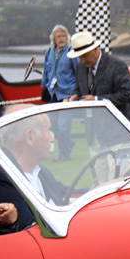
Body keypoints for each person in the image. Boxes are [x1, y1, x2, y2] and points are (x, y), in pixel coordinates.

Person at [0, 106, 68, 231]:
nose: (52, 139)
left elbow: (63, 191)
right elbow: (29, 230)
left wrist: (93, 189)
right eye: (48, 131)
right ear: (30, 137)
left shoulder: (38, 170)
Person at [67, 32, 130, 123]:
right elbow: (78, 89)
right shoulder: (80, 67)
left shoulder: (117, 65)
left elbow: (126, 94)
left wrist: (97, 100)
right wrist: (74, 97)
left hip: (116, 126)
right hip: (91, 127)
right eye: (79, 57)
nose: (83, 61)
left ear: (95, 49)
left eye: (85, 56)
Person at [41, 25, 77, 160]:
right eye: (58, 36)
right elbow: (46, 71)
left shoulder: (71, 53)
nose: (61, 39)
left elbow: (77, 72)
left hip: (67, 94)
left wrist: (76, 91)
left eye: (63, 36)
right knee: (52, 124)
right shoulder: (48, 52)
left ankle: (64, 153)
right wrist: (44, 87)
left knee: (63, 126)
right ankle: (69, 142)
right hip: (52, 93)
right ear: (54, 39)